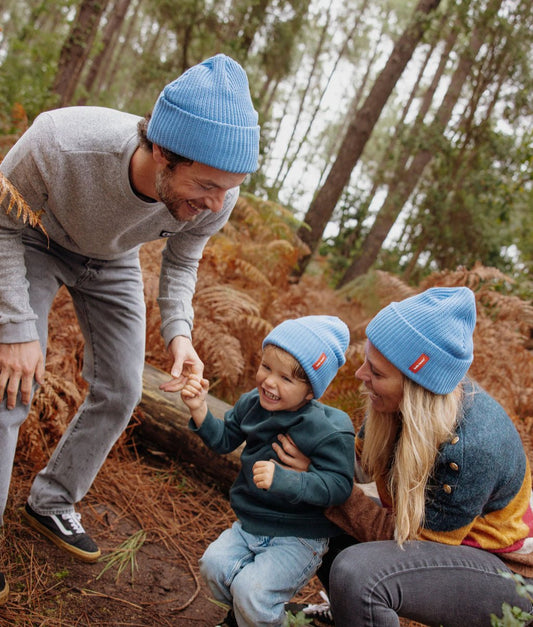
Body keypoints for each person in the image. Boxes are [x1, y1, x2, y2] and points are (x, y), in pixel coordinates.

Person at [0, 53, 260, 602]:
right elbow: (0, 220)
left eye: (229, 189)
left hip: (112, 261)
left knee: (121, 388)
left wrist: (181, 335)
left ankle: (51, 501)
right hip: (31, 237)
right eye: (208, 185)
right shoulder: (61, 142)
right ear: (162, 150)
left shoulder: (216, 197)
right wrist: (15, 326)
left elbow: (183, 263)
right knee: (11, 388)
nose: (218, 204)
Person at [299, 287, 533, 627]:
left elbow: (415, 548)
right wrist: (305, 442)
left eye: (376, 372)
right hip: (449, 548)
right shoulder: (396, 406)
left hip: (510, 577)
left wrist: (327, 491)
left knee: (358, 574)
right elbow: (360, 466)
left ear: (416, 386)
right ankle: (350, 615)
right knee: (309, 505)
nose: (360, 374)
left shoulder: (471, 447)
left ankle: (358, 607)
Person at [180, 315, 356, 627]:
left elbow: (339, 486)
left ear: (311, 392)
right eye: (266, 367)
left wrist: (287, 479)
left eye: (286, 379)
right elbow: (224, 440)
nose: (269, 382)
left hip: (299, 536)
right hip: (250, 524)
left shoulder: (329, 429)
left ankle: (253, 613)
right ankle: (244, 617)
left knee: (253, 592)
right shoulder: (253, 404)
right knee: (214, 566)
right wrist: (199, 408)